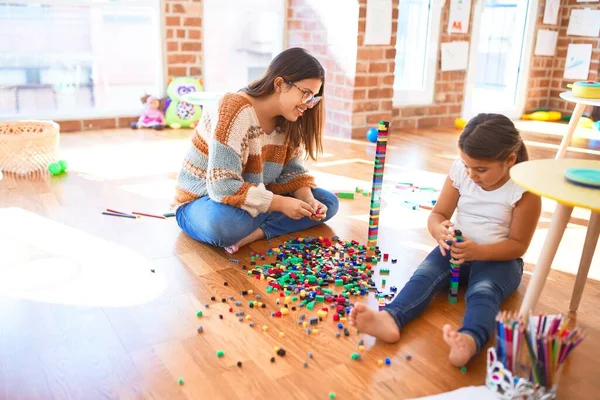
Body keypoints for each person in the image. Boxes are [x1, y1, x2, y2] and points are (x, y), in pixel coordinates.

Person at [350, 113, 542, 367]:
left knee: (483, 293)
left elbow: (518, 245)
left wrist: (479, 252)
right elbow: (438, 214)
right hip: (456, 249)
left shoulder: (524, 191)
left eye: (481, 169)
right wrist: (439, 230)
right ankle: (390, 318)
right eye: (467, 166)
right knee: (423, 277)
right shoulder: (461, 173)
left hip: (499, 259)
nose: (472, 175)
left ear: (509, 160)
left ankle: (471, 338)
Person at [173, 47, 339, 254]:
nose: (308, 104)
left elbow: (292, 173)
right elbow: (222, 186)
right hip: (203, 200)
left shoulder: (290, 120)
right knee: (224, 225)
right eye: (306, 93)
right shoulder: (234, 108)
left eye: (313, 97)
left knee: (327, 202)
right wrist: (279, 204)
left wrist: (308, 200)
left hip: (252, 196)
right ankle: (263, 221)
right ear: (279, 83)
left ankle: (257, 232)